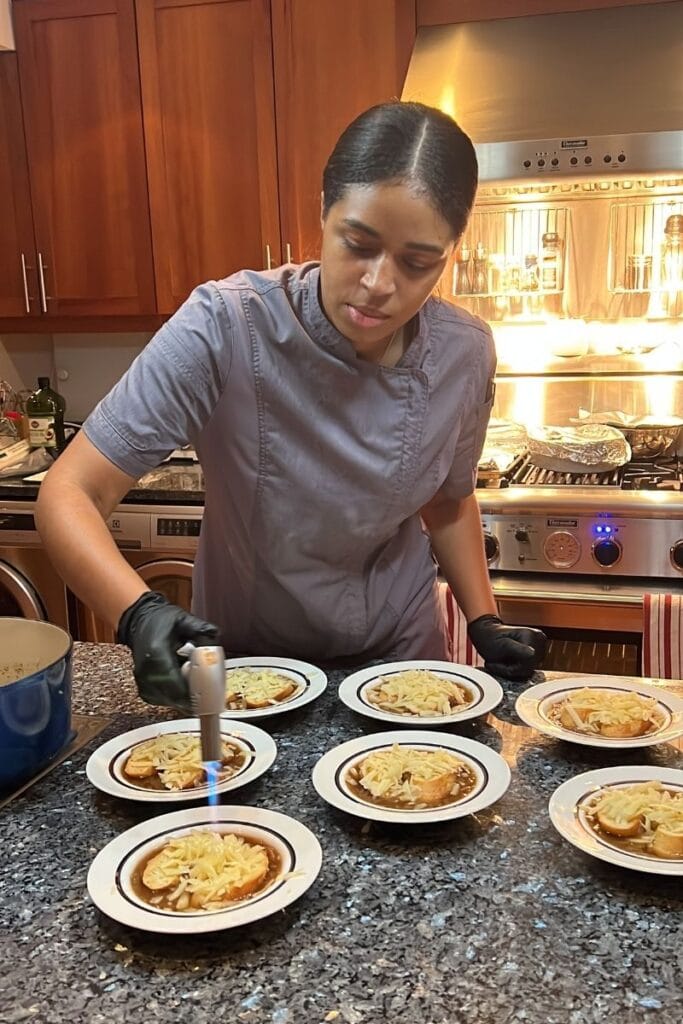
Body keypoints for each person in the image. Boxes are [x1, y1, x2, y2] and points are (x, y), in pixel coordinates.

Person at [35, 101, 546, 711]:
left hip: (400, 661)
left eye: (417, 263)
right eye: (357, 243)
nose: (379, 284)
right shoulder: (224, 325)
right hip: (252, 664)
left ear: (453, 251)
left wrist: (484, 618)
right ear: (323, 211)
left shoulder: (464, 351)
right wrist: (138, 613)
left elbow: (448, 500)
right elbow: (70, 491)